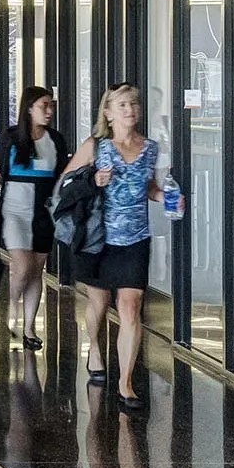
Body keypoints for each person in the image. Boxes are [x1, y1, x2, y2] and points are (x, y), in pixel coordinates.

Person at [62, 83, 166, 411]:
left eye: (133, 103)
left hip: (135, 238)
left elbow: (149, 187)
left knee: (131, 305)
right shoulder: (95, 147)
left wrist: (164, 196)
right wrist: (92, 180)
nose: (130, 110)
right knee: (98, 303)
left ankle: (126, 383)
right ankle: (94, 346)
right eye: (121, 105)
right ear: (108, 113)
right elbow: (65, 184)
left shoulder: (150, 148)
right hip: (97, 238)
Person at [0, 86, 63, 350]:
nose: (49, 111)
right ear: (29, 107)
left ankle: (29, 327)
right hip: (14, 211)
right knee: (21, 266)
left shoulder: (55, 139)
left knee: (36, 270)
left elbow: (62, 178)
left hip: (44, 214)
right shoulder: (11, 138)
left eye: (51, 105)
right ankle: (11, 308)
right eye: (44, 105)